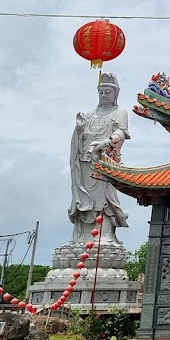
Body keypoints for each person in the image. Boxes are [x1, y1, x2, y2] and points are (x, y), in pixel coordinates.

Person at [68, 73, 130, 245]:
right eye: (101, 92)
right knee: (83, 196)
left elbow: (121, 133)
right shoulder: (89, 115)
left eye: (107, 92)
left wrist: (105, 143)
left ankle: (105, 235)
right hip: (85, 161)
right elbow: (81, 136)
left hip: (104, 161)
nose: (103, 95)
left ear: (115, 93)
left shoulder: (119, 112)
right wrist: (79, 129)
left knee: (104, 199)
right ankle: (80, 237)